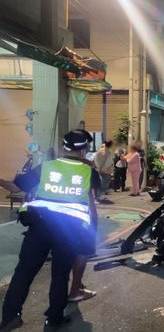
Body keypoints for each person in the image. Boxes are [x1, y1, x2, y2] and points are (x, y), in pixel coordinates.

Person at [0, 129, 100, 330]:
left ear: (63, 147)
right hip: (69, 232)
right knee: (60, 274)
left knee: (24, 271)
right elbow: (95, 195)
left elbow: (15, 188)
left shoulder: (45, 167)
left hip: (39, 227)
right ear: (84, 150)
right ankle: (54, 317)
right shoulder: (90, 173)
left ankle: (10, 316)